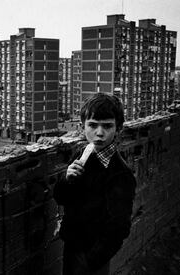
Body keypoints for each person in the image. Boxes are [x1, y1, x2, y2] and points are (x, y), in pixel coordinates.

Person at [53, 93, 136, 275]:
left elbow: (119, 226)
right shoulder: (82, 154)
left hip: (92, 256)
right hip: (72, 245)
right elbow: (61, 198)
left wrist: (91, 260)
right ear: (82, 127)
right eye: (92, 125)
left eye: (107, 126)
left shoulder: (120, 174)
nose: (99, 133)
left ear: (118, 128)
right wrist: (67, 180)